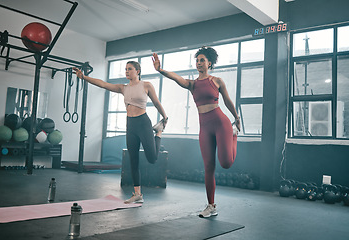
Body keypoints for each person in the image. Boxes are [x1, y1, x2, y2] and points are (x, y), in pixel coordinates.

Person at [152, 46, 240, 218]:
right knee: (208, 166)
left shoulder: (217, 81)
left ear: (210, 63)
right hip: (204, 127)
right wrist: (160, 70)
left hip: (221, 123)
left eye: (202, 60)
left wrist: (236, 118)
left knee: (226, 163)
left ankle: (234, 135)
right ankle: (211, 205)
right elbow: (177, 78)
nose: (199, 63)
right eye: (197, 60)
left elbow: (228, 101)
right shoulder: (192, 84)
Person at [73, 61, 168, 204]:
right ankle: (137, 194)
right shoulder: (123, 88)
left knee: (152, 158)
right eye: (125, 69)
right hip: (130, 124)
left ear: (138, 71)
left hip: (143, 123)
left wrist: (164, 117)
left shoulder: (146, 85)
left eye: (130, 69)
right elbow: (103, 84)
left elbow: (156, 102)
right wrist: (84, 77)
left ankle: (158, 133)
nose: (127, 71)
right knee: (133, 160)